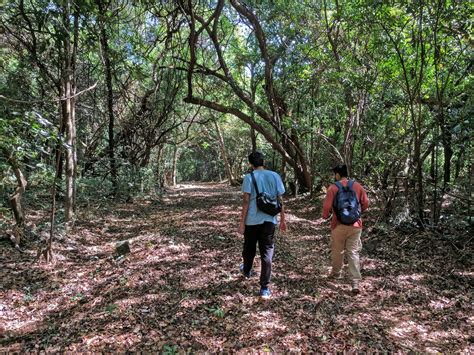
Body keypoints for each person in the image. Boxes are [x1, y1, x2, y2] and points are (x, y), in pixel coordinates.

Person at [238, 151, 287, 299]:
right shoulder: (275, 176)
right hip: (269, 220)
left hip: (252, 220)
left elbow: (246, 201)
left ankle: (246, 270)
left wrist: (242, 222)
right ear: (263, 161)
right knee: (267, 252)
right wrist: (283, 219)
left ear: (250, 164)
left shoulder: (249, 177)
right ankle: (264, 287)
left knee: (249, 248)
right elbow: (280, 199)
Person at [321, 163, 369, 294]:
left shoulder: (333, 188)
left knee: (337, 250)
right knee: (353, 252)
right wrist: (357, 213)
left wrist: (325, 216)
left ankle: (336, 274)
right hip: (356, 225)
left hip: (338, 225)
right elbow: (366, 203)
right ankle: (355, 282)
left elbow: (326, 207)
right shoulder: (357, 186)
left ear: (337, 174)